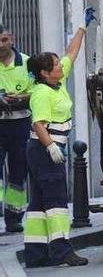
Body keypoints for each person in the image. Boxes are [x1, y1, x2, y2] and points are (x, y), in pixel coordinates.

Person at [23, 10, 94, 268]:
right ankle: (62, 250)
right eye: (55, 64)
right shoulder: (42, 92)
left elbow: (71, 53)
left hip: (43, 151)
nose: (60, 65)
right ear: (44, 72)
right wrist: (51, 146)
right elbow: (38, 123)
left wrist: (82, 29)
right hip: (44, 150)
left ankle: (36, 254)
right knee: (56, 202)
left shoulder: (58, 82)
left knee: (40, 202)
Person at [0, 24, 34, 232]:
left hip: (20, 123)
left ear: (11, 39)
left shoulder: (27, 63)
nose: (1, 45)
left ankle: (14, 217)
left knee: (18, 172)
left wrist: (19, 98)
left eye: (4, 40)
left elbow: (37, 91)